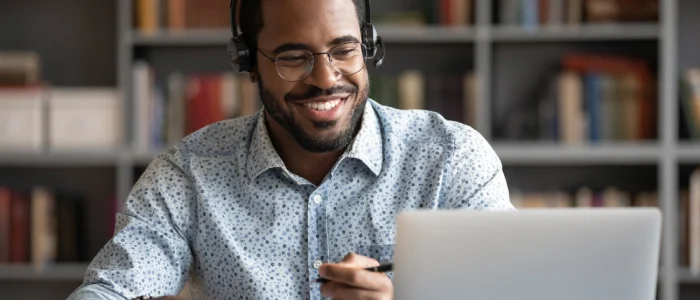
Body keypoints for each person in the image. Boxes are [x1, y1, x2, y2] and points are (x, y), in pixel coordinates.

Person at [67, 0, 514, 299]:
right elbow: (109, 290)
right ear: (249, 65)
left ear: (369, 47)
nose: (325, 78)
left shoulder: (452, 158)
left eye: (343, 50)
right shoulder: (187, 173)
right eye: (293, 57)